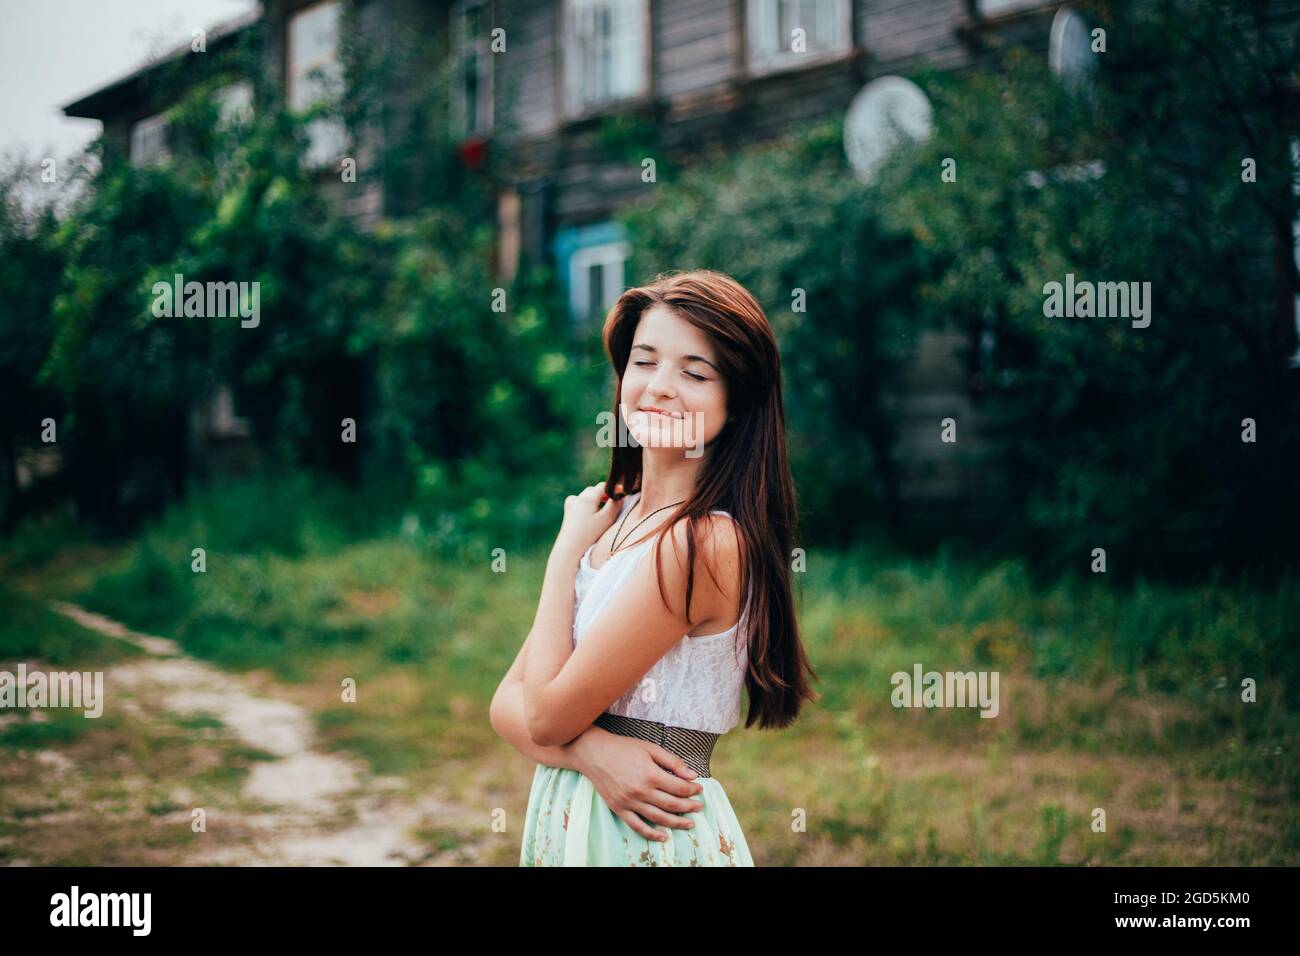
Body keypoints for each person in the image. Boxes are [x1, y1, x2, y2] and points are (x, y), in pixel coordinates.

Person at [489, 269, 819, 866]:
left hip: (645, 837)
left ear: (736, 403)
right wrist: (591, 753)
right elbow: (505, 705)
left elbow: (542, 716)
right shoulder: (615, 521)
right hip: (577, 818)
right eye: (644, 362)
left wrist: (563, 555)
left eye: (695, 372)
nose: (660, 387)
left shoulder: (702, 544)